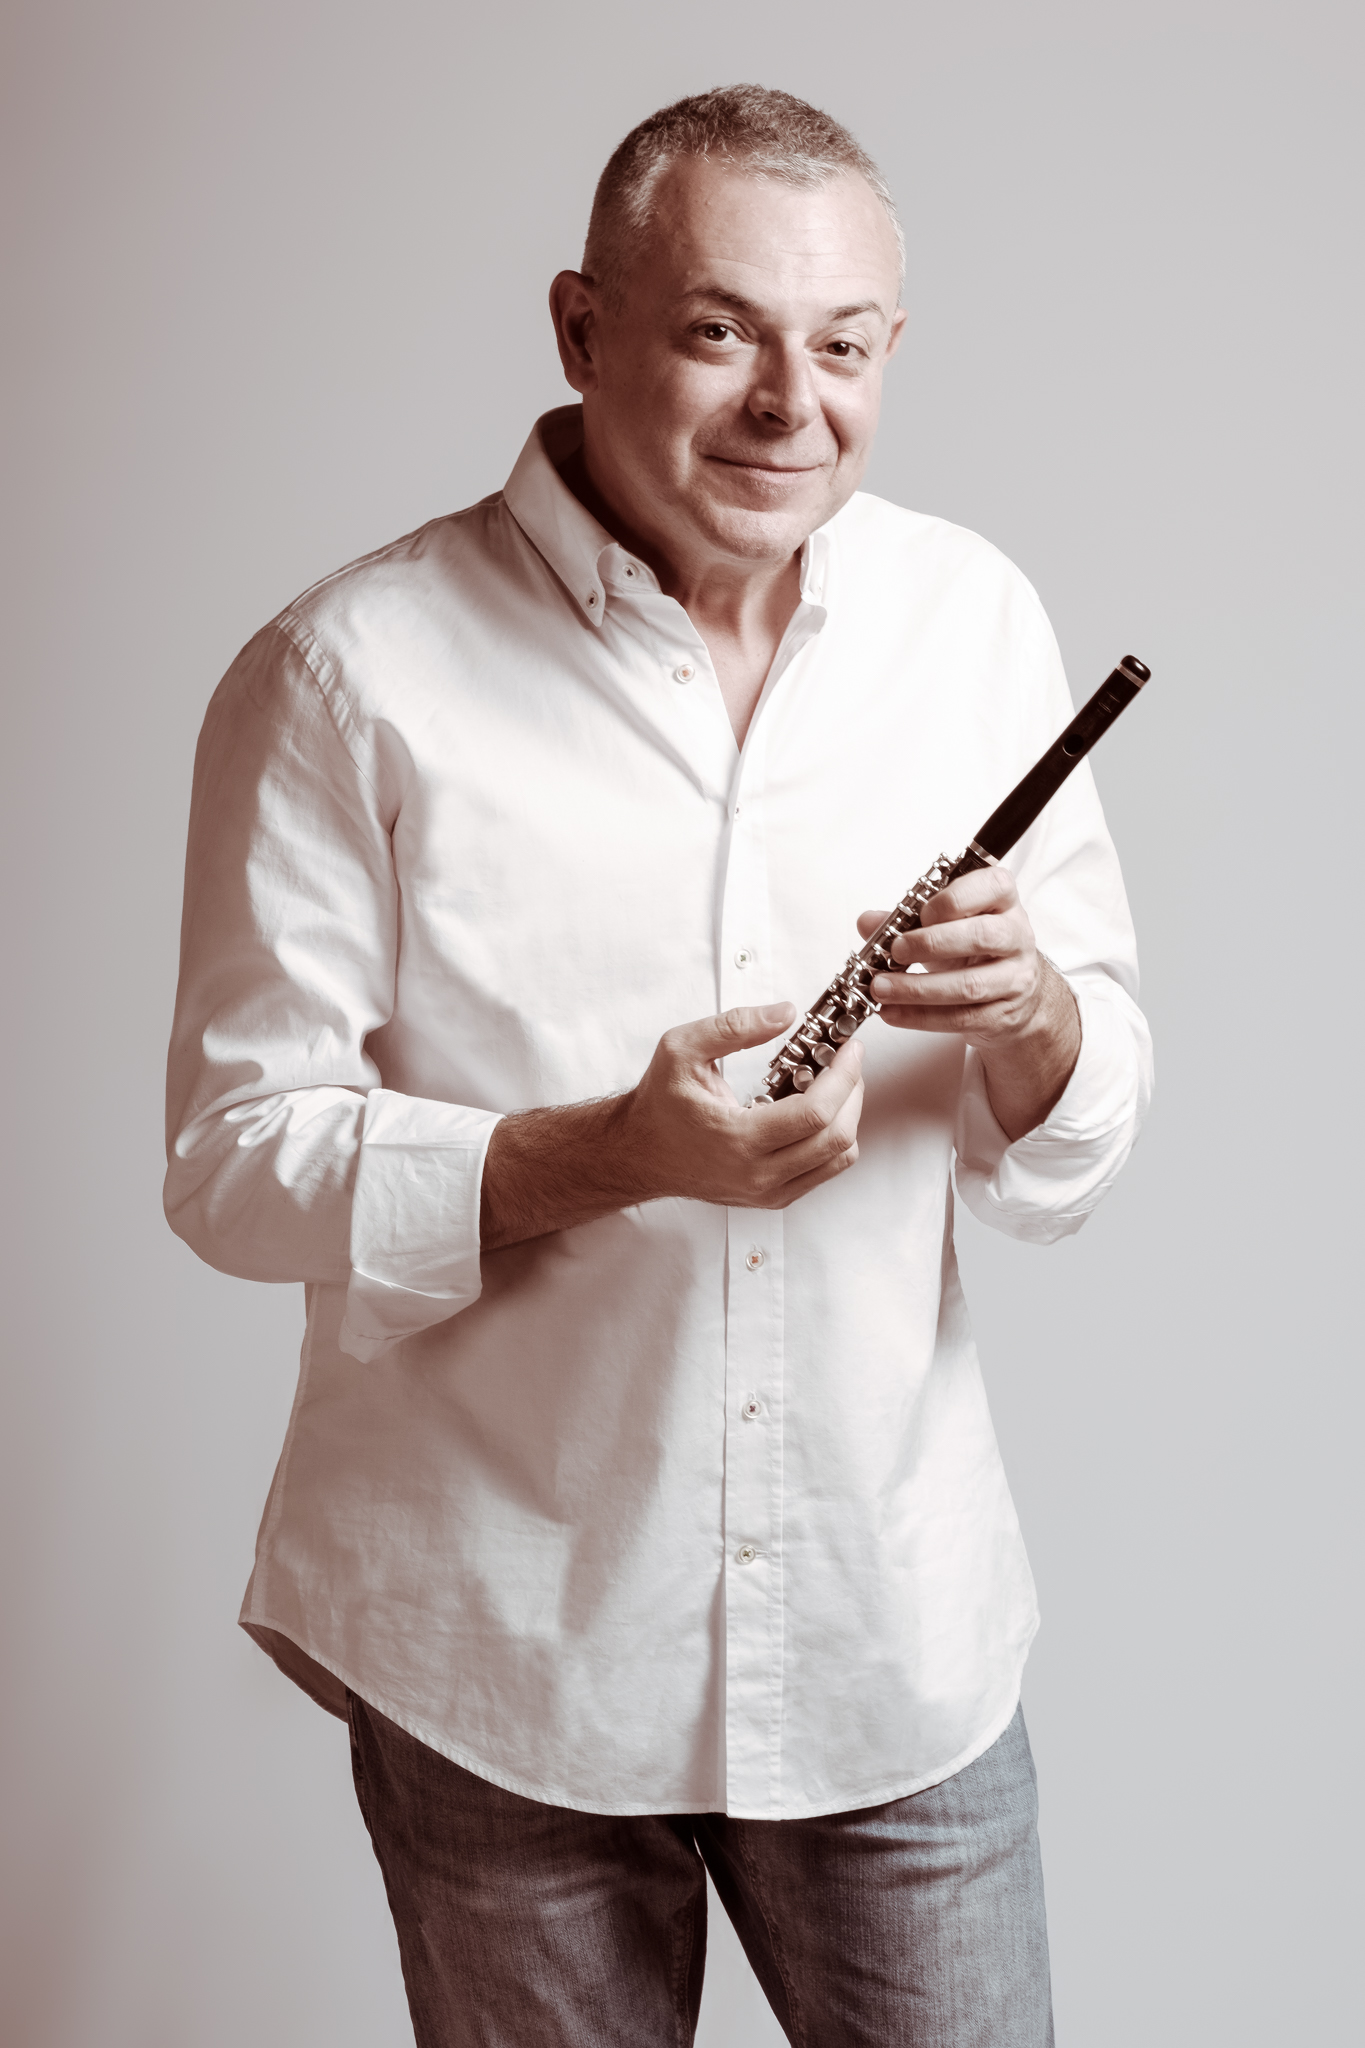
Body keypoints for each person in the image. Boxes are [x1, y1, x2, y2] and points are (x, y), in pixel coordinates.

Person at [165, 84, 1151, 2048]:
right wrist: (602, 1153)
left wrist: (1030, 1013)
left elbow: (1081, 1127)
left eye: (844, 346)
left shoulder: (968, 622)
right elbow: (233, 1164)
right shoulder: (348, 671)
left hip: (885, 1627)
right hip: (497, 1644)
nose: (793, 404)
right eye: (720, 331)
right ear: (579, 327)